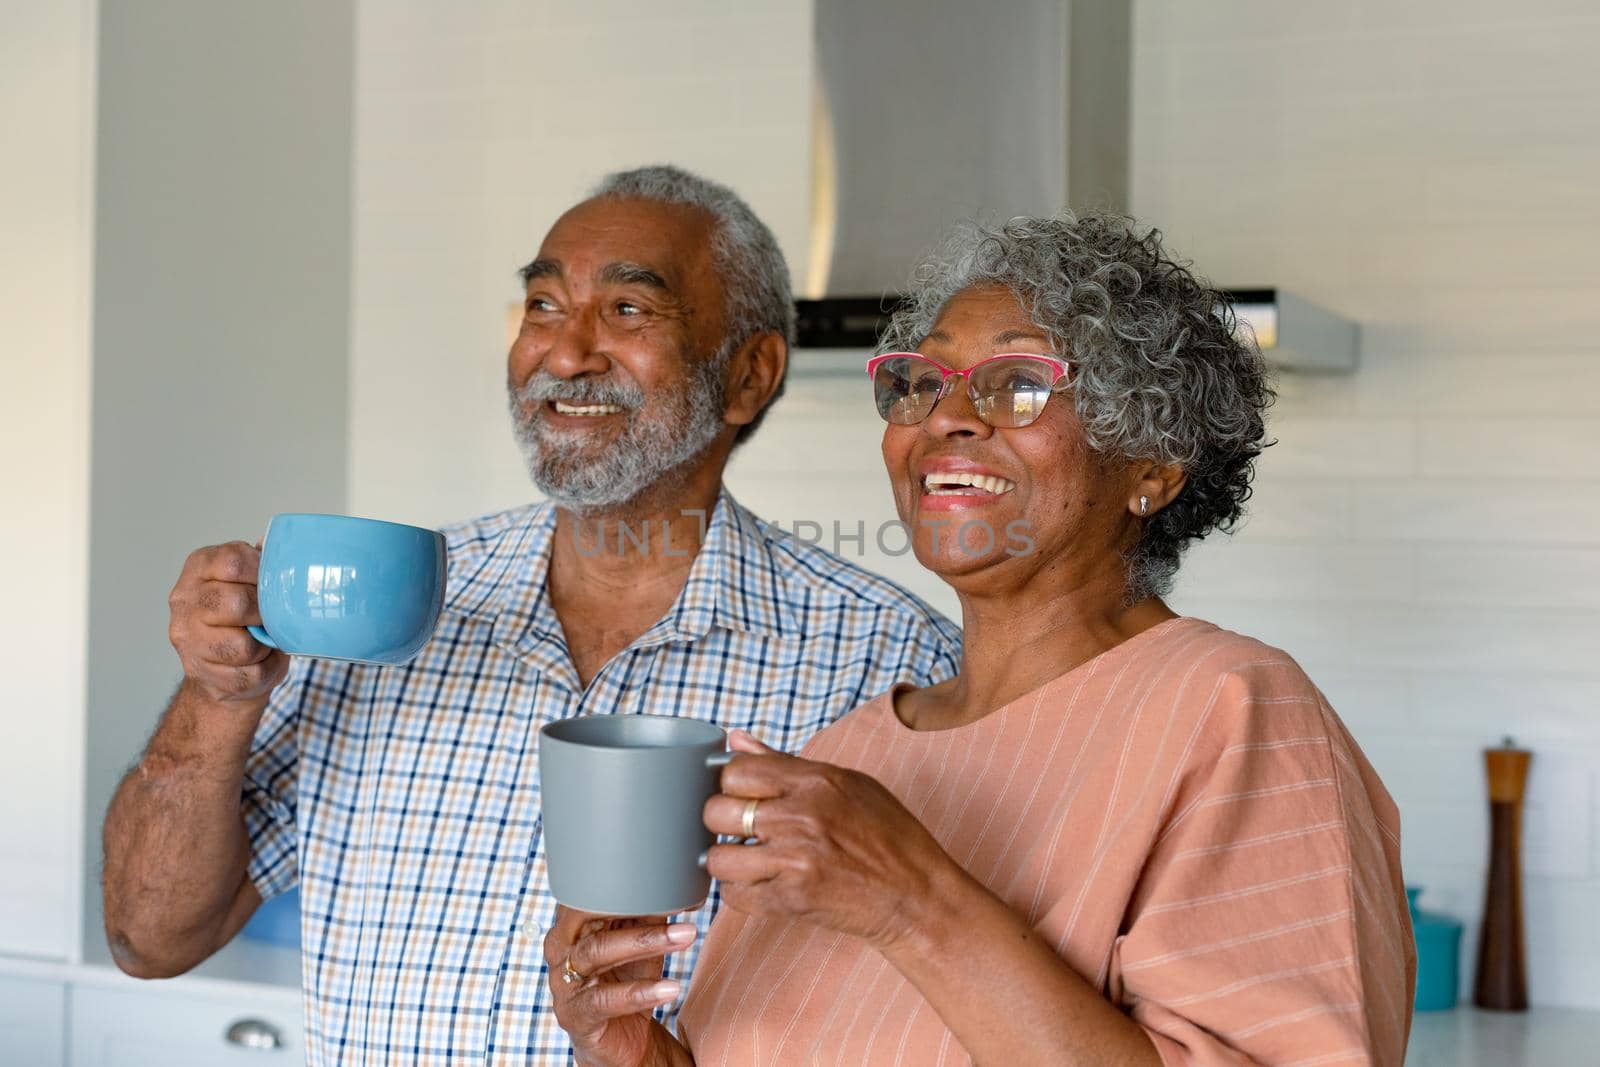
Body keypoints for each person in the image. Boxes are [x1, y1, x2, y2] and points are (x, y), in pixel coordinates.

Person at [99, 164, 962, 1065]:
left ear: (748, 375)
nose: (564, 352)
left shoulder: (888, 662)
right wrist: (217, 692)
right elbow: (149, 938)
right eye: (544, 305)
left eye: (629, 310)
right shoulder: (377, 615)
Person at [544, 211, 1416, 1066]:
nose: (946, 417)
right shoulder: (852, 755)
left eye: (1017, 383)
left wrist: (911, 898)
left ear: (1152, 465)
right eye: (921, 382)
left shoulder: (1233, 711)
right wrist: (629, 1050)